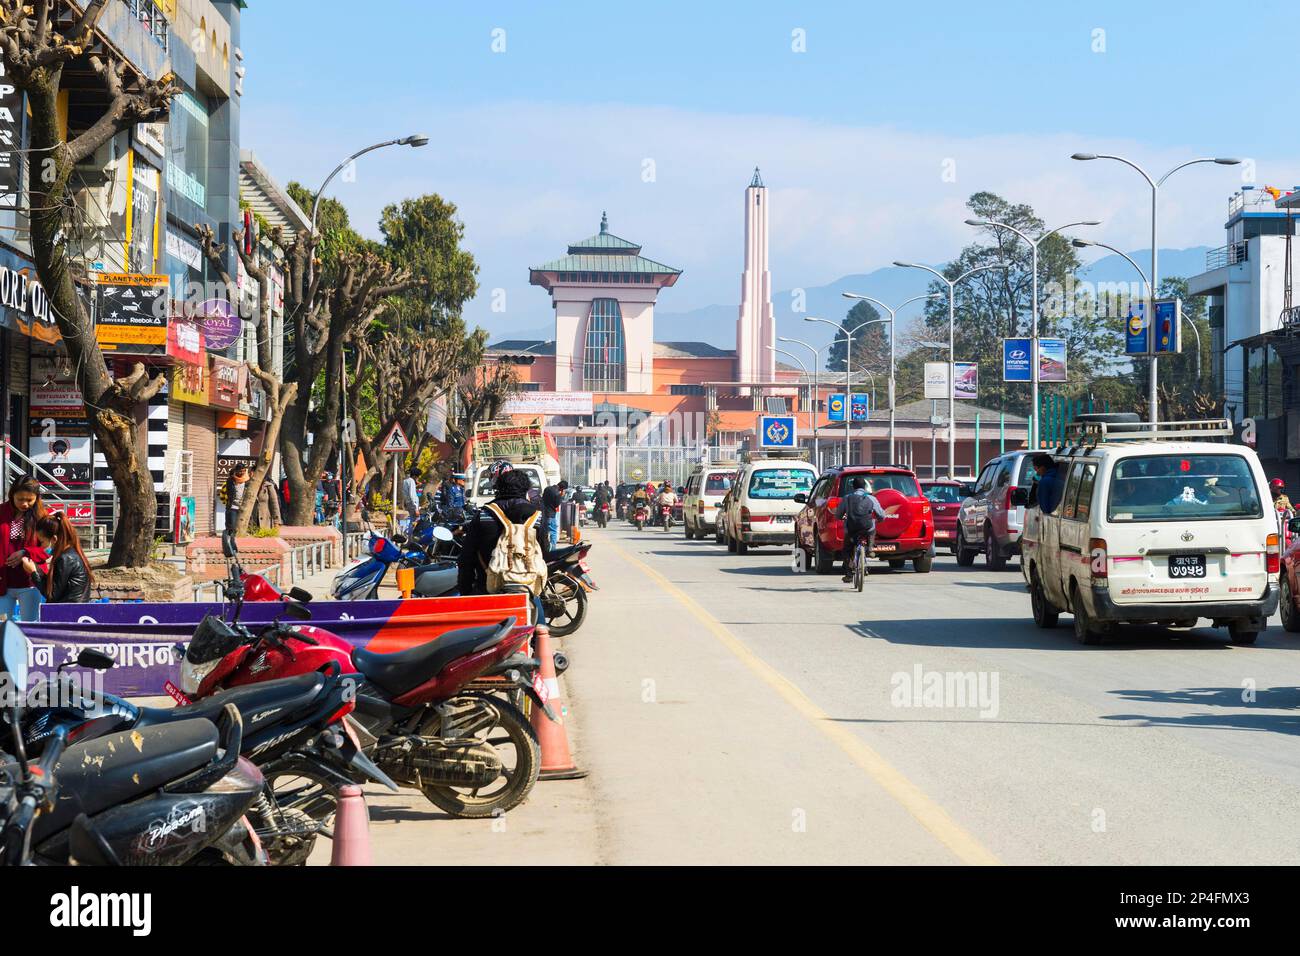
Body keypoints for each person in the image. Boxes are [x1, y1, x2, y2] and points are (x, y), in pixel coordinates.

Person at [457, 465, 551, 629]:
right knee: (541, 634)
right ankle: (542, 646)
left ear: (498, 487)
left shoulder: (483, 515)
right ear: (526, 489)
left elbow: (466, 558)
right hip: (526, 589)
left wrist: (466, 592)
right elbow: (544, 551)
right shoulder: (537, 516)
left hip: (487, 590)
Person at [0, 476, 49, 621]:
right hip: (3, 581)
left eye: (29, 500)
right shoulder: (1, 512)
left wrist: (25, 552)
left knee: (31, 625)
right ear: (12, 495)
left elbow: (48, 548)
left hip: (30, 582)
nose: (25, 504)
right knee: (3, 626)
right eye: (20, 499)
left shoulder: (42, 517)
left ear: (37, 498)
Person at [23, 512, 90, 604]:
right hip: (74, 608)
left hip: (69, 612)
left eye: (42, 542)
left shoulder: (65, 558)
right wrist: (40, 572)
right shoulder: (70, 554)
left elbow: (52, 594)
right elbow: (58, 585)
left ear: (54, 539)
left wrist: (33, 573)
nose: (40, 547)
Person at [833, 476, 886, 582]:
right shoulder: (871, 498)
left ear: (853, 487)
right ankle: (870, 548)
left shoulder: (847, 498)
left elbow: (838, 515)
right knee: (872, 527)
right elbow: (881, 515)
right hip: (867, 527)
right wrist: (879, 520)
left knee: (847, 550)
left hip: (851, 528)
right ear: (865, 487)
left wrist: (841, 517)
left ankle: (848, 574)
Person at [223, 463, 250, 530]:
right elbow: (229, 493)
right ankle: (230, 538)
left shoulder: (247, 480)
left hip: (243, 507)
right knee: (231, 526)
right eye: (240, 471)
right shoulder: (231, 480)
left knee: (242, 527)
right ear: (236, 470)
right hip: (233, 507)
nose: (242, 472)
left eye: (243, 471)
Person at [541, 479, 567, 550]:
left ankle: (544, 548)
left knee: (544, 532)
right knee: (553, 532)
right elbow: (556, 505)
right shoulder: (557, 494)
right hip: (551, 515)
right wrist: (561, 496)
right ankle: (553, 549)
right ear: (562, 489)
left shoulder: (547, 489)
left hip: (543, 514)